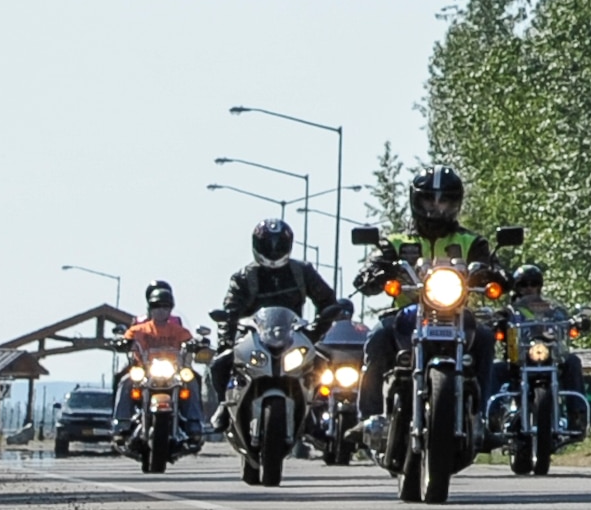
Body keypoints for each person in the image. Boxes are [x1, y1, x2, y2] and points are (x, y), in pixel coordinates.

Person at [354, 166, 499, 418]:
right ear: (415, 200)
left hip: (457, 314)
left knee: (486, 338)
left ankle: (483, 416)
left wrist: (493, 274)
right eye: (428, 199)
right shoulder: (396, 242)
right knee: (378, 337)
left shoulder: (472, 242)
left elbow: (490, 265)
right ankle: (370, 416)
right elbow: (373, 265)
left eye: (445, 200)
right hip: (406, 313)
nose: (436, 206)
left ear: (456, 203)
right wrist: (373, 274)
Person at [208, 218, 341, 429]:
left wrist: (314, 332)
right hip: (253, 339)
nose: (273, 250)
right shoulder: (244, 277)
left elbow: (328, 302)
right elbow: (230, 311)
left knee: (323, 363)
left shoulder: (302, 271)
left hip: (292, 336)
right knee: (219, 363)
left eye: (279, 244)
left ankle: (314, 411)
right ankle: (224, 407)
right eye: (268, 244)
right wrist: (226, 341)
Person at [113, 280, 205, 443]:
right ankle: (122, 424)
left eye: (165, 307)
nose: (161, 311)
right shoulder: (139, 329)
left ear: (170, 309)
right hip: (145, 371)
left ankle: (194, 423)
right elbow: (126, 338)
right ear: (150, 309)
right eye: (157, 307)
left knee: (192, 381)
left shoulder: (179, 330)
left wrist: (196, 343)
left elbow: (190, 340)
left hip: (173, 372)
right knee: (125, 381)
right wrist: (122, 342)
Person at [494, 263, 587, 401]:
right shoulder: (509, 311)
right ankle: (490, 414)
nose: (529, 288)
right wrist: (495, 323)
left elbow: (565, 319)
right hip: (516, 361)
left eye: (534, 284)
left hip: (551, 357)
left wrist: (577, 322)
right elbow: (495, 320)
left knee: (573, 361)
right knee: (496, 368)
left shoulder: (552, 309)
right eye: (524, 284)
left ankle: (577, 413)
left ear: (540, 286)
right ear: (516, 288)